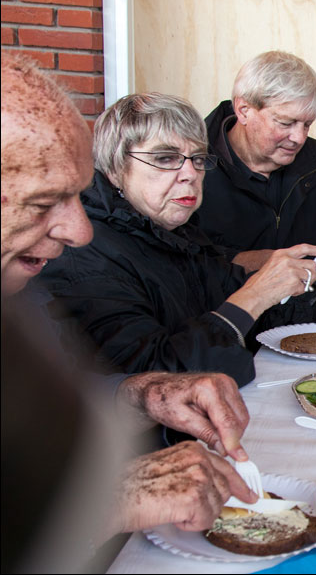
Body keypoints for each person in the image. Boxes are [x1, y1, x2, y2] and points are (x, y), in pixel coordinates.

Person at [1, 51, 255, 571]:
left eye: (75, 196)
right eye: (42, 201)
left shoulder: (18, 296)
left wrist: (142, 394)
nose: (80, 231)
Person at [38, 92, 316, 385]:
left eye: (197, 159)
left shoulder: (171, 230)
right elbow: (155, 377)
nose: (189, 174)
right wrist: (256, 292)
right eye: (164, 159)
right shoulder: (82, 254)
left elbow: (237, 294)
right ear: (113, 168)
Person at [196, 50, 316, 273]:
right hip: (228, 307)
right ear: (244, 110)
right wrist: (254, 261)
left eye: (307, 124)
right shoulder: (189, 169)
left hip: (313, 304)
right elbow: (178, 262)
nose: (299, 138)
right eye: (286, 123)